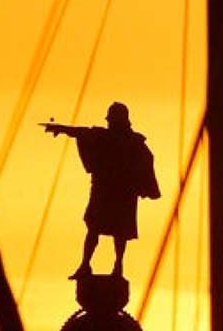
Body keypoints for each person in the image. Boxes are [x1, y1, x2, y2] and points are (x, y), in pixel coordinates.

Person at [43, 102, 160, 278]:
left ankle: (116, 266)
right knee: (95, 229)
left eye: (111, 120)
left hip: (120, 194)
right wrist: (61, 128)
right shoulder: (111, 138)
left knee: (118, 233)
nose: (109, 123)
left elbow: (146, 161)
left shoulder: (134, 142)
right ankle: (86, 265)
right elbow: (82, 132)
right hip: (104, 191)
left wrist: (142, 184)